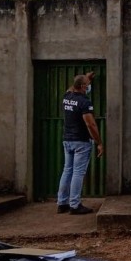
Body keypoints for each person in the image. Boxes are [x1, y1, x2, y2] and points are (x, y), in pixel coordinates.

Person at [56, 72, 104, 215]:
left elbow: (71, 88)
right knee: (78, 173)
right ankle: (75, 205)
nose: (89, 87)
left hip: (67, 140)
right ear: (83, 87)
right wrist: (99, 142)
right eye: (88, 85)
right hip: (81, 142)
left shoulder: (67, 97)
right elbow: (91, 125)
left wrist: (86, 78)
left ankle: (62, 203)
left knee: (67, 170)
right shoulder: (84, 102)